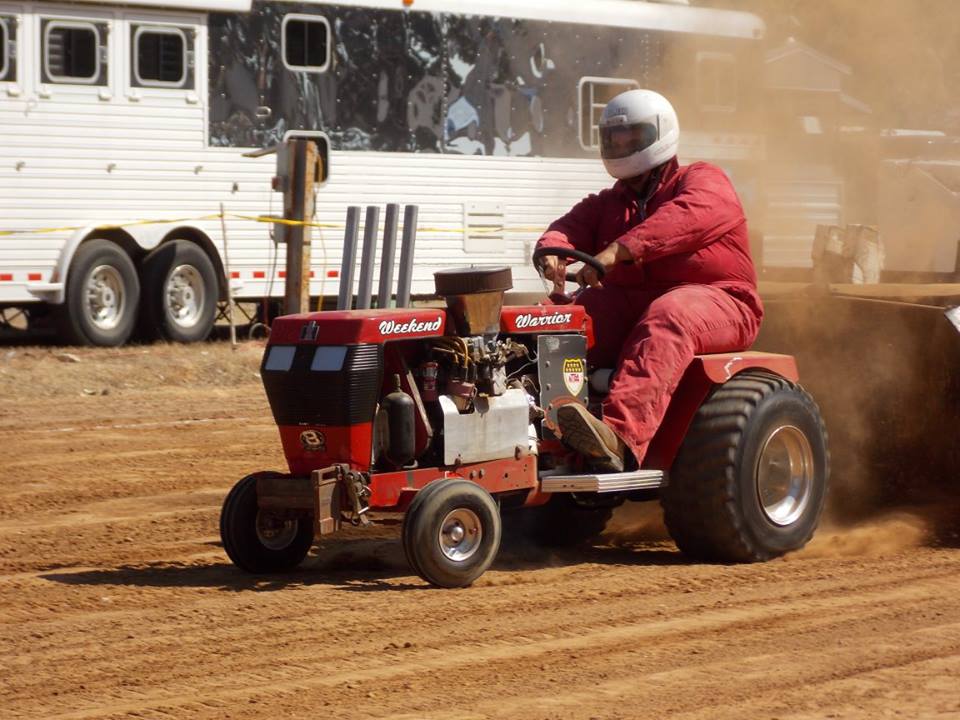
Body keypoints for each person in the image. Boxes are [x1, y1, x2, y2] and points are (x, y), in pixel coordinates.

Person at [535, 89, 763, 472]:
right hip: (635, 304)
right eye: (615, 139)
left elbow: (682, 219)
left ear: (661, 134)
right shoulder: (608, 203)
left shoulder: (704, 180)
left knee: (669, 316)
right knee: (556, 323)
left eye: (633, 139)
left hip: (721, 301)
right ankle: (541, 439)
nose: (622, 146)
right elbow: (567, 228)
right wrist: (552, 249)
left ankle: (617, 439)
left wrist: (618, 250)